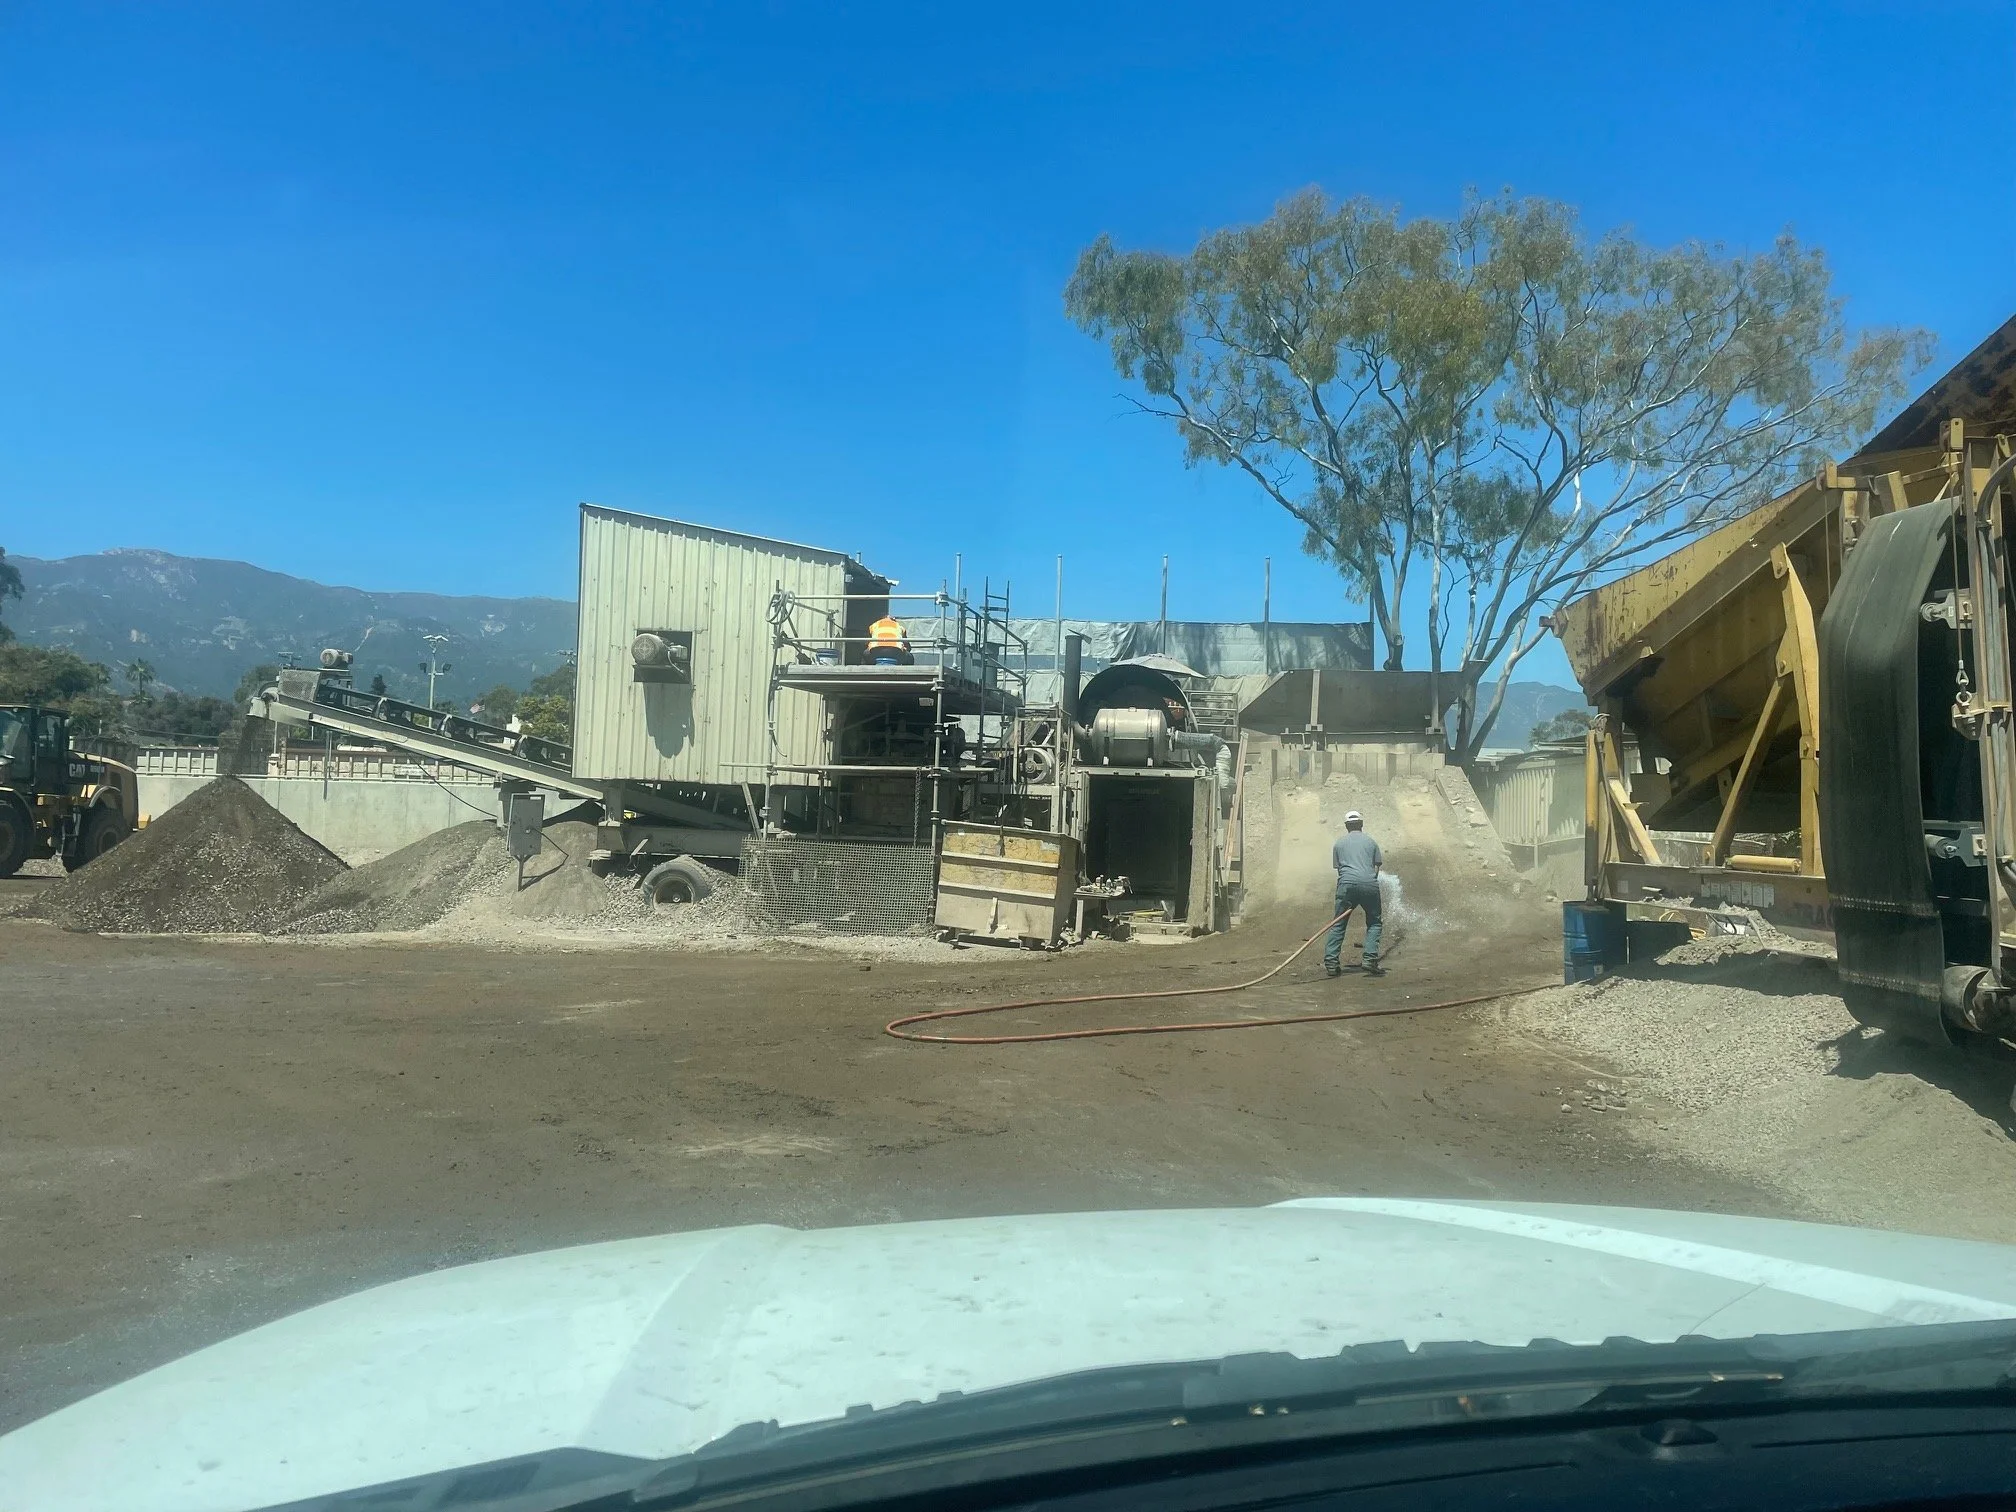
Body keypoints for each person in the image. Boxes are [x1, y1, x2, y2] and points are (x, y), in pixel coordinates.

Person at [1323, 810, 1384, 978]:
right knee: (1374, 922)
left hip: (1346, 885)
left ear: (1346, 826)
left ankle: (1331, 962)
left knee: (1339, 924)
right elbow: (1376, 867)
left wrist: (1350, 889)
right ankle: (1369, 959)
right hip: (1369, 884)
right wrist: (1367, 883)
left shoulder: (1339, 844)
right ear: (1361, 824)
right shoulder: (1371, 842)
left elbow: (1339, 870)